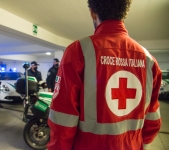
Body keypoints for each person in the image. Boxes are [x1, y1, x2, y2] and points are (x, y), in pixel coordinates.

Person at [48, 1, 162, 150]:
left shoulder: (78, 52)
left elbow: (62, 121)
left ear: (92, 13)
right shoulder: (149, 61)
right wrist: (137, 144)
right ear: (124, 13)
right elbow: (153, 121)